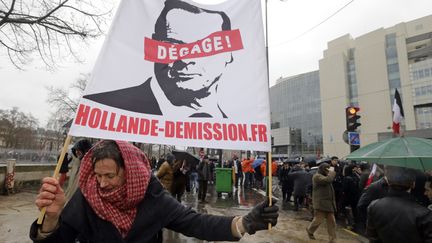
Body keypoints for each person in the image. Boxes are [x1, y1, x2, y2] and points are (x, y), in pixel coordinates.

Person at [30, 140, 279, 242]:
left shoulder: (153, 198)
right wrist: (51, 219)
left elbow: (195, 223)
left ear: (130, 174)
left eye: (110, 175)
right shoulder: (86, 197)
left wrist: (244, 223)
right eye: (97, 176)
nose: (102, 184)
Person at [83, 0, 234, 118]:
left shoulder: (235, 124)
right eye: (172, 47)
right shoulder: (105, 107)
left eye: (203, 48)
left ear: (228, 55)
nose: (185, 60)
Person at [367, 166, 432, 243]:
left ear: (388, 182)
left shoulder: (374, 205)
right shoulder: (424, 214)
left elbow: (372, 237)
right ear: (413, 184)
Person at [306, 163, 337, 243]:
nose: (328, 171)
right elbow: (327, 180)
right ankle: (310, 230)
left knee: (332, 222)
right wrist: (331, 173)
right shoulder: (317, 177)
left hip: (329, 204)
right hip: (321, 204)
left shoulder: (326, 176)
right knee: (318, 221)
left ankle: (332, 239)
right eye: (327, 169)